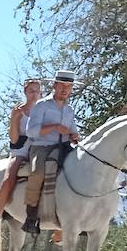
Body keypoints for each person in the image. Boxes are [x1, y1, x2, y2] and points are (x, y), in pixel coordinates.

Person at [21, 69, 80, 234]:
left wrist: (74, 135)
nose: (65, 90)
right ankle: (31, 217)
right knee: (37, 172)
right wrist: (54, 127)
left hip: (64, 147)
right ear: (54, 85)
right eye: (62, 86)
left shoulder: (69, 110)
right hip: (42, 146)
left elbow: (72, 130)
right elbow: (31, 131)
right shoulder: (42, 105)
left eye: (68, 87)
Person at [0, 77, 41, 239]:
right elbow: (14, 139)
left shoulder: (44, 110)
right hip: (22, 150)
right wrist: (14, 119)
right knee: (8, 179)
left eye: (37, 91)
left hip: (41, 149)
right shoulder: (18, 110)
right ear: (25, 92)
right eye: (31, 91)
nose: (34, 94)